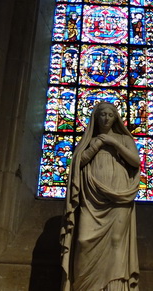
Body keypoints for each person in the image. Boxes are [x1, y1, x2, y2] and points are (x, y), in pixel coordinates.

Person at [60, 102, 141, 291]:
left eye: (110, 115)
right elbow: (78, 165)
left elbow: (135, 161)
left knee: (116, 243)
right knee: (83, 240)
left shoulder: (124, 139)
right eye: (102, 115)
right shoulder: (89, 140)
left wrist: (113, 142)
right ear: (96, 118)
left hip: (119, 196)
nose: (106, 118)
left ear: (115, 118)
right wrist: (96, 145)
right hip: (91, 197)